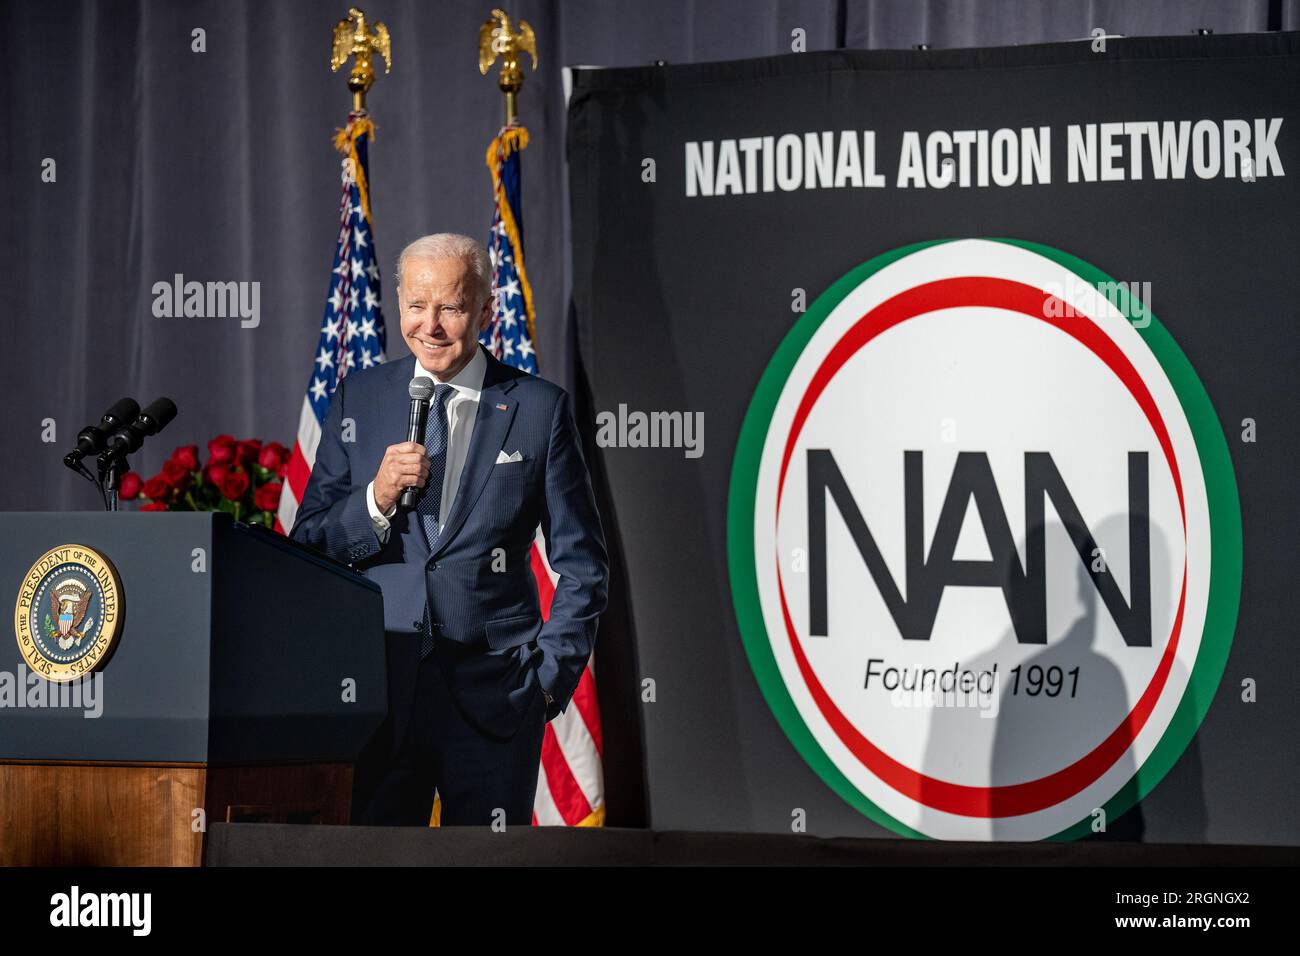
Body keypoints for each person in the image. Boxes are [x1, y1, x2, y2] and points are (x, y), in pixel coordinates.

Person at [291, 232, 608, 826]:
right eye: (416, 305)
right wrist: (376, 499)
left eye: (451, 307)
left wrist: (543, 682)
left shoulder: (539, 408)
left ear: (487, 309)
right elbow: (309, 545)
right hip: (379, 699)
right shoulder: (359, 398)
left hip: (497, 704)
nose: (430, 326)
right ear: (399, 306)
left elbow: (583, 565)